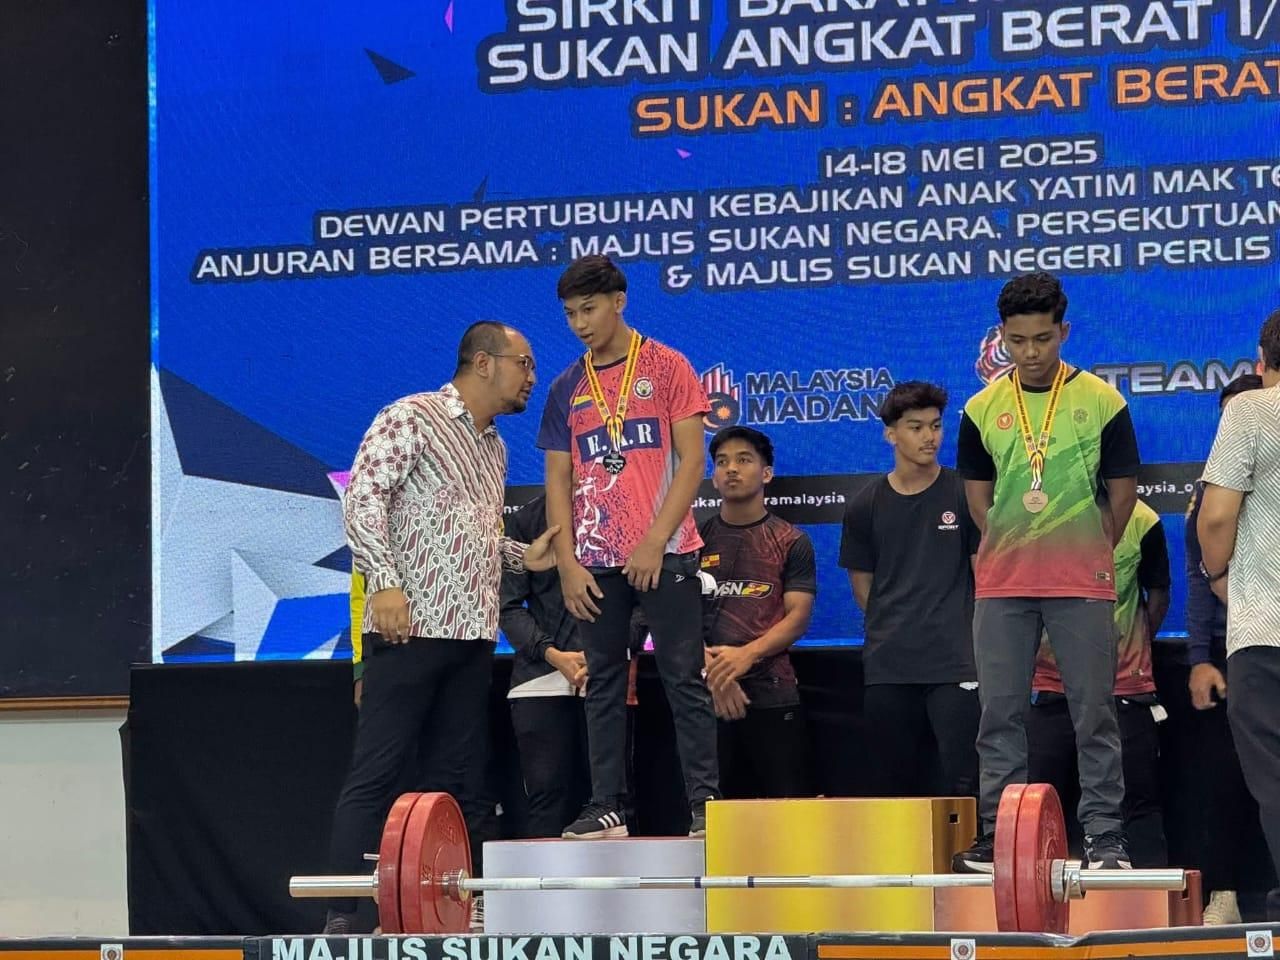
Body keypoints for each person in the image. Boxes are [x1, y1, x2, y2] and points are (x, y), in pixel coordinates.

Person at [325, 322, 559, 934]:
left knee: (462, 779)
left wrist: (523, 556)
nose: (531, 378)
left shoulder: (496, 447)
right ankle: (342, 918)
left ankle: (456, 912)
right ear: (483, 363)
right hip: (409, 628)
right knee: (378, 772)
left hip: (473, 633)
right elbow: (363, 501)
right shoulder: (411, 417)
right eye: (524, 364)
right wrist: (384, 581)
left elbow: (472, 533)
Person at [953, 272, 1140, 873]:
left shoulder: (1102, 401)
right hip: (1003, 584)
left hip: (1080, 582)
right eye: (1017, 341)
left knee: (1094, 711)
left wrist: (1088, 549)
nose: (1030, 353)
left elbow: (1123, 494)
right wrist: (1011, 543)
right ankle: (999, 835)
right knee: (999, 714)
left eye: (1042, 339)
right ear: (1001, 336)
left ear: (1064, 331)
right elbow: (978, 500)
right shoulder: (981, 408)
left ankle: (1105, 835)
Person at [538, 254, 719, 839]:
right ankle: (606, 804)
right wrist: (567, 562)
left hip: (666, 551)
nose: (580, 324)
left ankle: (705, 805)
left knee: (684, 677)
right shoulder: (567, 386)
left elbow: (692, 461)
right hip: (594, 558)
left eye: (588, 310)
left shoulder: (667, 366)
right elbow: (558, 478)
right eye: (570, 314)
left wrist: (655, 540)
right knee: (603, 682)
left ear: (619, 301)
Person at [838, 381, 981, 799]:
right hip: (890, 668)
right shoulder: (864, 505)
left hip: (957, 664)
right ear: (891, 434)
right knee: (894, 788)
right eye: (916, 427)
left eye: (935, 426)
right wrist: (896, 630)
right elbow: (863, 589)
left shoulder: (964, 493)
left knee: (964, 783)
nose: (929, 437)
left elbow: (984, 575)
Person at [1028, 499, 1171, 866]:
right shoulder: (1035, 511)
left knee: (1137, 801)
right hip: (1053, 686)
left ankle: (1151, 899)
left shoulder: (1143, 520)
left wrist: (1129, 647)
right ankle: (1039, 895)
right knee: (1038, 804)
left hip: (1124, 687)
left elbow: (1158, 595)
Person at [1197, 307, 1280, 921]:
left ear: (1262, 360)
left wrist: (1217, 573)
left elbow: (1218, 514)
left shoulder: (1250, 409)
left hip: (1266, 631)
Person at [699, 425, 817, 799]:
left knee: (787, 814)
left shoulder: (791, 541)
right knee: (713, 820)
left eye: (744, 460)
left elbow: (797, 618)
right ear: (713, 477)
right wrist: (716, 675)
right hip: (705, 697)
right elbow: (674, 621)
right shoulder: (692, 542)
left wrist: (746, 656)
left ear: (766, 473)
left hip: (773, 693)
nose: (731, 469)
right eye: (722, 462)